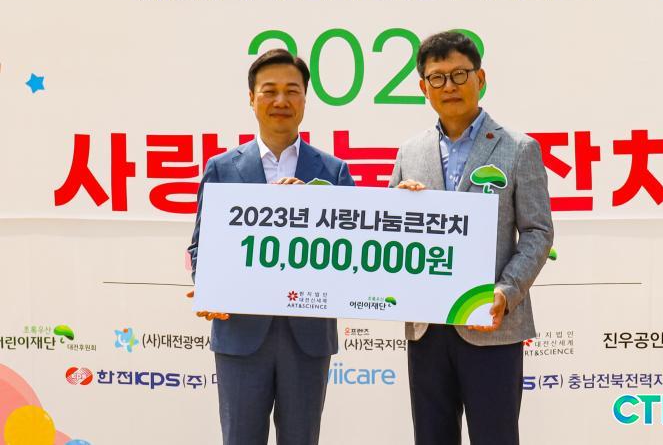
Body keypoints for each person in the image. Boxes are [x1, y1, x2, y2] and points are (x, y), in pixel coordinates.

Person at [389, 31, 554, 445]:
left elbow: (537, 231)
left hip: (491, 322)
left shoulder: (519, 148)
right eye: (437, 77)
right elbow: (390, 229)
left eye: (459, 74)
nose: (449, 86)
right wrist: (400, 206)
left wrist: (506, 292)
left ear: (480, 79)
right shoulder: (410, 152)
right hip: (427, 327)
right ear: (423, 88)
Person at [187, 49, 355, 445]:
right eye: (270, 90)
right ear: (252, 98)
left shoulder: (332, 171)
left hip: (307, 335)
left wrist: (313, 212)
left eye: (292, 91)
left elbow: (352, 250)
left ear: (305, 99)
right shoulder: (222, 168)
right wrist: (208, 287)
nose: (281, 100)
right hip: (240, 331)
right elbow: (201, 245)